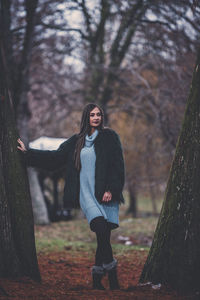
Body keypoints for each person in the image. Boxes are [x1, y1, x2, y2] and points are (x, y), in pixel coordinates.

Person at [17, 103, 125, 290]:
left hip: (105, 195)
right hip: (87, 195)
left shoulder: (110, 138)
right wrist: (28, 154)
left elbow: (118, 166)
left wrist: (111, 190)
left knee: (103, 236)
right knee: (100, 229)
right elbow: (54, 158)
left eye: (98, 114)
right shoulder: (77, 141)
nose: (96, 118)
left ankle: (97, 279)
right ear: (86, 118)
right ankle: (113, 278)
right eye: (92, 115)